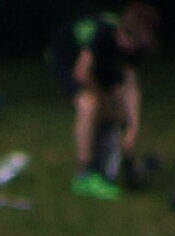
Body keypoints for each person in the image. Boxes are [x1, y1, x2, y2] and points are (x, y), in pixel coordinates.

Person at [65, 5, 157, 201]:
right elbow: (81, 73)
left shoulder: (136, 47)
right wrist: (104, 100)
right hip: (68, 61)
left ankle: (113, 161)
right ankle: (83, 174)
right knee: (89, 104)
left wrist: (132, 128)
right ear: (124, 33)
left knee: (116, 105)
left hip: (98, 65)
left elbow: (130, 87)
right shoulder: (103, 32)